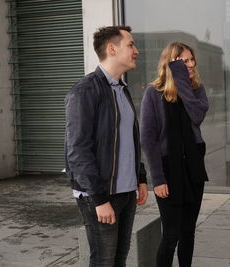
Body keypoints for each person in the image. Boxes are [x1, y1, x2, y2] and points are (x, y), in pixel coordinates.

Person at [65, 25, 148, 266]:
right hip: (100, 194)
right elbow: (77, 151)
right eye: (131, 45)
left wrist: (140, 177)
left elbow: (129, 140)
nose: (137, 51)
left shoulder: (122, 90)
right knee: (103, 260)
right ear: (112, 49)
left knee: (119, 259)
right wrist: (99, 200)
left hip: (126, 191)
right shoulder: (84, 91)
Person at [140, 42, 209, 267]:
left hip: (193, 167)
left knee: (188, 231)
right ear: (170, 64)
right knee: (171, 235)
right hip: (168, 170)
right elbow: (148, 139)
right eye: (184, 61)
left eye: (192, 60)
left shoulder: (196, 89)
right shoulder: (154, 92)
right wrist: (157, 179)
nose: (190, 64)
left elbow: (197, 116)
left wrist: (183, 85)